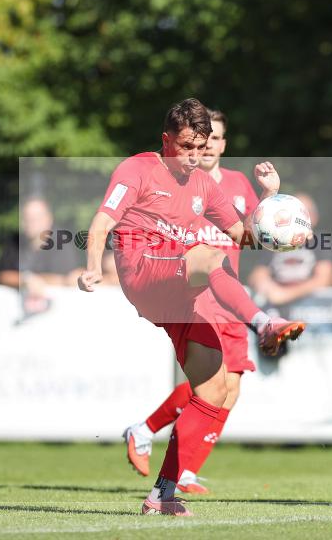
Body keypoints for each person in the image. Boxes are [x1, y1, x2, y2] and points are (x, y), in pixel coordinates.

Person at [78, 98, 305, 516]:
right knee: (208, 253)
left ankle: (162, 495)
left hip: (179, 294)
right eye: (186, 147)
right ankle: (263, 323)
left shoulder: (203, 183)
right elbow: (103, 221)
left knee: (214, 389)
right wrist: (93, 266)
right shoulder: (138, 168)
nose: (195, 157)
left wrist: (272, 207)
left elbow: (244, 236)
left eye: (201, 148)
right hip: (144, 272)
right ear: (166, 140)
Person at [121, 108, 260, 494]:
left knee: (227, 389)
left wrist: (274, 208)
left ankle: (168, 457)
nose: (207, 147)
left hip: (229, 291)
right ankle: (176, 469)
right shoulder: (180, 182)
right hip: (200, 294)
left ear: (223, 144)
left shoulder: (235, 184)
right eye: (202, 141)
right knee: (213, 384)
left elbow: (252, 231)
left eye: (215, 140)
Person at [0, 196, 81, 314]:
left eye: (36, 218)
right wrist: (26, 280)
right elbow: (4, 276)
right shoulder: (14, 242)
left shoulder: (62, 243)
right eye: (26, 218)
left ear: (48, 219)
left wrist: (32, 280)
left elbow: (69, 279)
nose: (30, 222)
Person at [248, 193, 332, 306]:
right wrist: (264, 284)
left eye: (305, 213)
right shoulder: (274, 240)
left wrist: (285, 295)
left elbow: (323, 279)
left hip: (311, 308)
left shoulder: (320, 241)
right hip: (277, 309)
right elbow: (257, 275)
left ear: (315, 217)